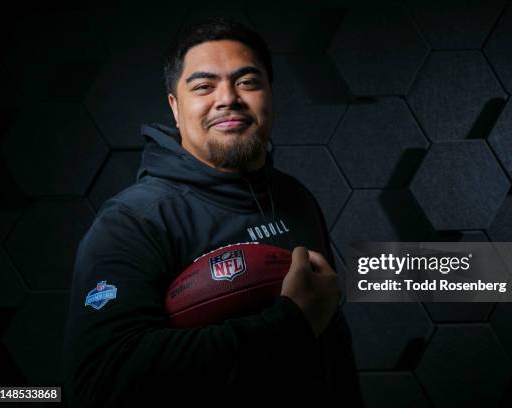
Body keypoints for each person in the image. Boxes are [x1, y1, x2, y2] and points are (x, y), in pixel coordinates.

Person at [62, 17, 364, 407]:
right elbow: (99, 383)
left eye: (248, 82)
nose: (228, 98)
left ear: (270, 94)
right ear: (174, 107)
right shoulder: (134, 221)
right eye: (204, 86)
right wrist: (289, 323)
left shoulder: (295, 198)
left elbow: (330, 345)